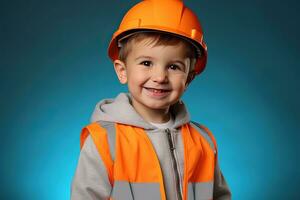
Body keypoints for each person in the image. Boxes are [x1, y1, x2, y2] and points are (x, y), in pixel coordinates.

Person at [71, 0, 231, 199]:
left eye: (174, 67)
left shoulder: (203, 142)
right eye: (146, 63)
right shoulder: (105, 141)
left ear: (189, 78)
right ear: (122, 71)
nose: (160, 77)